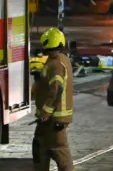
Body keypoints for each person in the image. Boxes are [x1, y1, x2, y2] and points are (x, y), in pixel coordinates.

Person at [34, 27, 75, 171]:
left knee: (60, 153)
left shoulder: (55, 64)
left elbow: (57, 90)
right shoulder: (62, 59)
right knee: (41, 148)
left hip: (54, 119)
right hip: (54, 119)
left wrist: (46, 111)